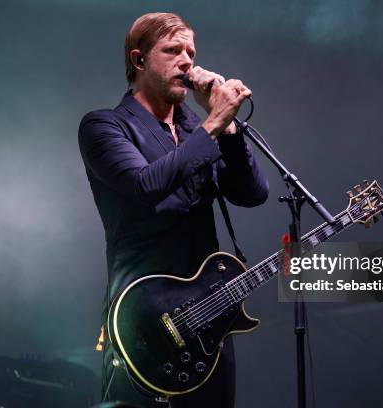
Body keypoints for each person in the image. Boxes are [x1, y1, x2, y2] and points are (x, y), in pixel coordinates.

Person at [78, 12, 269, 408]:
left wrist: (229, 130)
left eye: (191, 51)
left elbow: (253, 194)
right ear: (139, 60)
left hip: (208, 324)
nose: (187, 60)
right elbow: (145, 186)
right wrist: (213, 123)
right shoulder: (105, 126)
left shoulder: (194, 131)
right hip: (144, 322)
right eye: (173, 50)